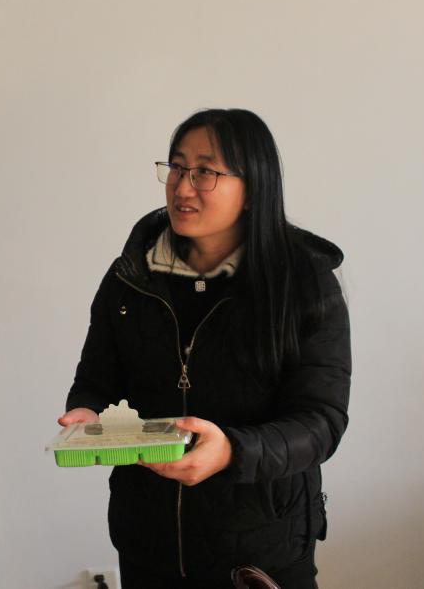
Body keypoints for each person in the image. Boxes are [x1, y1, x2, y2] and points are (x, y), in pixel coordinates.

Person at [59, 109, 351, 589]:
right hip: (148, 543)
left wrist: (233, 451)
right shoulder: (130, 278)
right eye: (176, 167)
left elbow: (321, 422)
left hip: (261, 553)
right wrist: (87, 413)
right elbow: (96, 380)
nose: (182, 186)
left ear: (253, 187)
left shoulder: (303, 283)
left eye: (205, 172)